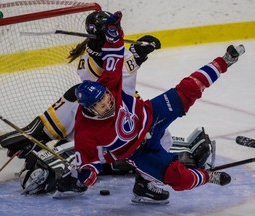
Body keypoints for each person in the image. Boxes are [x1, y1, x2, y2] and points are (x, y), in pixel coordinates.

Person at [0, 11, 214, 197]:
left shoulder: (107, 52)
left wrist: (137, 54)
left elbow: (120, 69)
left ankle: (142, 183)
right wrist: (134, 55)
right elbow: (109, 82)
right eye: (108, 31)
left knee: (158, 137)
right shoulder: (92, 66)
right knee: (102, 154)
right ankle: (72, 176)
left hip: (122, 108)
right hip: (104, 119)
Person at [59, 11, 245, 204]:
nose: (107, 102)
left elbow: (113, 54)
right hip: (139, 151)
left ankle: (224, 61)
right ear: (90, 109)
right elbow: (87, 157)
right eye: (101, 104)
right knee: (180, 178)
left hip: (150, 114)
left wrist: (115, 33)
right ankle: (207, 177)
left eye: (105, 97)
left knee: (187, 89)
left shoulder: (108, 84)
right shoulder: (86, 129)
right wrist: (88, 173)